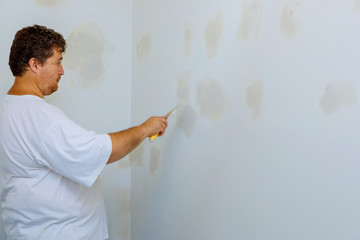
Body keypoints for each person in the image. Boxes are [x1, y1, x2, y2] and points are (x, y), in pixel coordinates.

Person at [0, 25, 168, 239]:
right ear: (34, 64)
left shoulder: (9, 107)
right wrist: (145, 129)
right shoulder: (41, 118)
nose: (62, 71)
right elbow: (98, 151)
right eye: (57, 62)